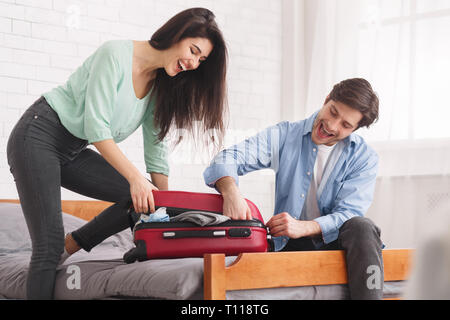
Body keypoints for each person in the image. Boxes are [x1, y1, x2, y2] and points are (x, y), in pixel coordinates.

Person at [6, 7, 228, 300]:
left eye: (201, 60)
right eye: (194, 50)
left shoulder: (161, 85)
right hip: (37, 135)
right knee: (47, 247)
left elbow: (156, 147)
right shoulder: (115, 54)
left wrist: (162, 204)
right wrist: (136, 178)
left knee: (141, 200)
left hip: (72, 149)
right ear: (177, 34)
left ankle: (71, 244)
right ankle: (56, 250)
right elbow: (96, 126)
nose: (194, 62)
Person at [203, 78, 383, 299]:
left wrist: (306, 226)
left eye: (346, 125)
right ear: (327, 100)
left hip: (337, 244)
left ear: (355, 129)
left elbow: (349, 213)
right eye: (333, 112)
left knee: (362, 226)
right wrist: (231, 191)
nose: (332, 126)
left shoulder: (364, 158)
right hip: (292, 244)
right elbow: (227, 158)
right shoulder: (285, 135)